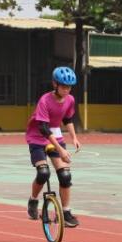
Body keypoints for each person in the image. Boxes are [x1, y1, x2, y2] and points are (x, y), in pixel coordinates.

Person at [24, 66, 81, 227]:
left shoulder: (70, 100)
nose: (66, 90)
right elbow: (43, 128)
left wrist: (74, 138)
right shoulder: (45, 100)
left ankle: (66, 212)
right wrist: (61, 149)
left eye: (69, 87)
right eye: (63, 86)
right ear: (55, 84)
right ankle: (33, 201)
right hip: (37, 136)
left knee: (65, 176)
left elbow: (68, 120)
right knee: (43, 173)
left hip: (54, 135)